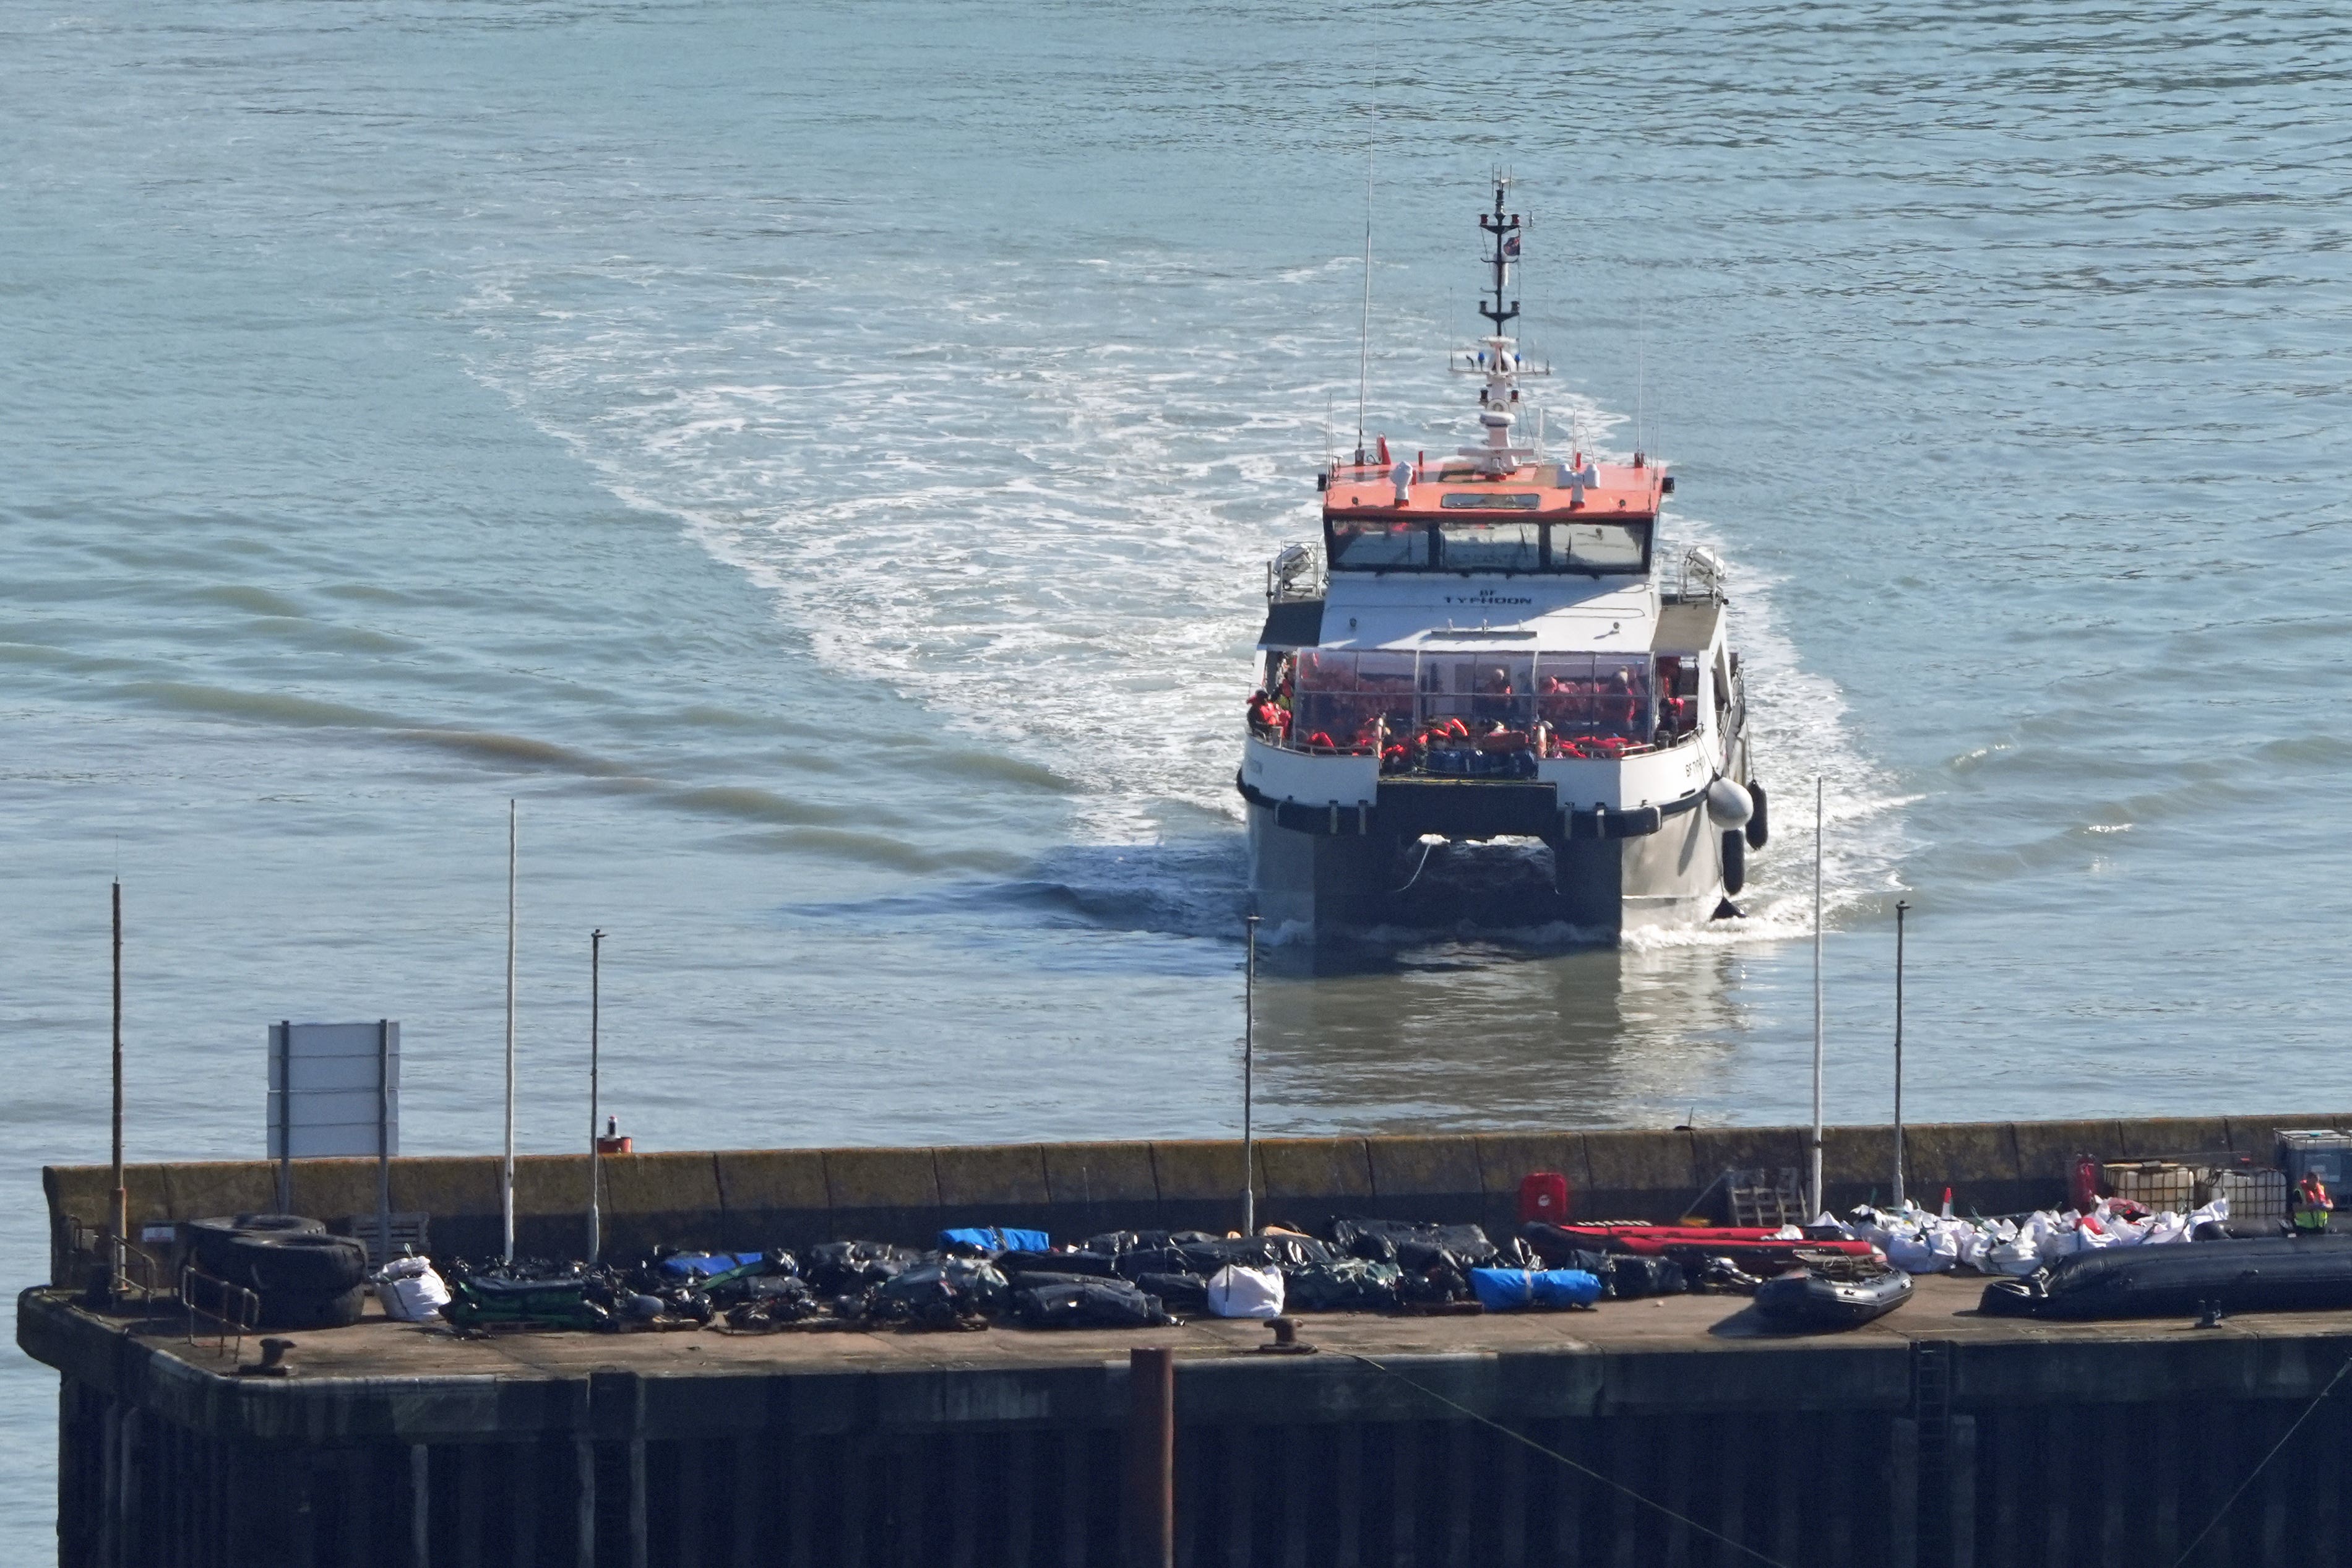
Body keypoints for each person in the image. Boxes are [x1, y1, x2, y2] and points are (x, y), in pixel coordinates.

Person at [2295, 1170, 2332, 1234]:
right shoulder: (2299, 1192)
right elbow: (2296, 1208)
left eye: (2316, 1182)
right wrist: (2310, 1207)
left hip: (2321, 1227)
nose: (2315, 1184)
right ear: (2307, 1180)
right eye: (2313, 1182)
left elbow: (2331, 1205)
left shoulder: (2322, 1189)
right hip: (2304, 1228)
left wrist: (2325, 1207)